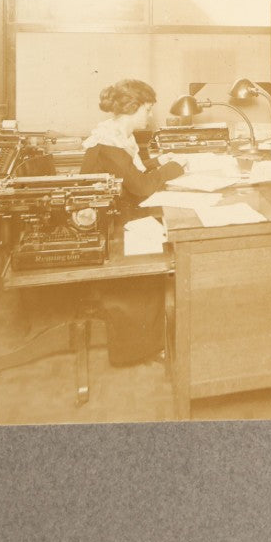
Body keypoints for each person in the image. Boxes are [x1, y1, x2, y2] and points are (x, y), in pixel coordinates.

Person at [79, 79, 185, 365]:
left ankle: (151, 336)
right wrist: (175, 168)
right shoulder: (109, 142)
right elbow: (140, 187)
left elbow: (132, 173)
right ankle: (138, 350)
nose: (149, 115)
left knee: (161, 233)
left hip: (116, 212)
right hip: (103, 227)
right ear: (133, 107)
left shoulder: (118, 135)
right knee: (154, 254)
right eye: (147, 109)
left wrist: (159, 162)